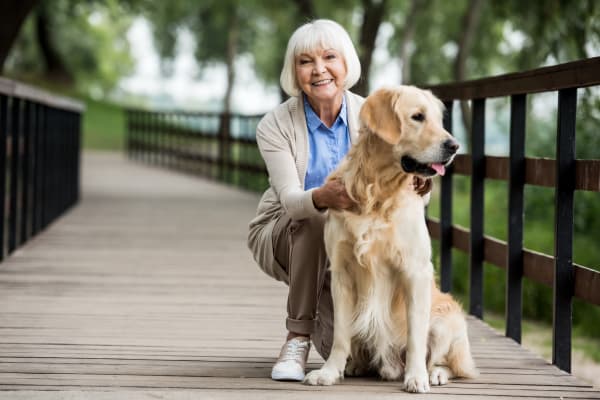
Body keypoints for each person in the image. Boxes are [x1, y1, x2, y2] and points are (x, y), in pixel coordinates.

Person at [247, 19, 431, 382]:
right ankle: (297, 338)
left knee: (363, 359)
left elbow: (403, 174)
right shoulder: (275, 125)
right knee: (317, 217)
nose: (319, 70)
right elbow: (291, 202)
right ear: (294, 71)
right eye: (305, 61)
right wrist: (324, 196)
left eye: (329, 57)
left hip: (355, 240)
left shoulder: (374, 115)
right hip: (287, 230)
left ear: (346, 64)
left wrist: (422, 184)